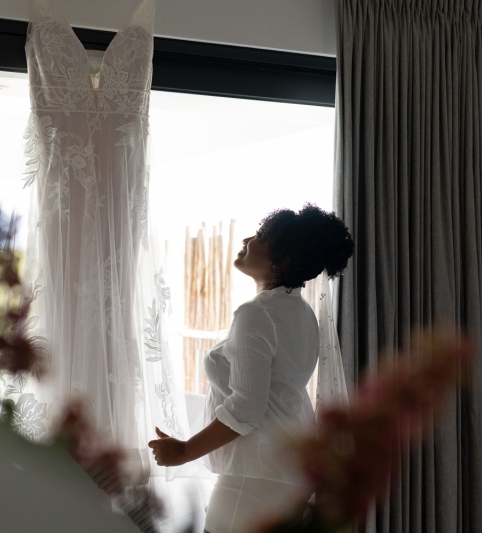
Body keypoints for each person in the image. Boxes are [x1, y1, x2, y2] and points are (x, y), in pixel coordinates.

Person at [148, 203, 354, 533]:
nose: (247, 239)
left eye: (260, 236)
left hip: (254, 479)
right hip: (288, 473)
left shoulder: (257, 314)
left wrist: (184, 451)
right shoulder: (302, 314)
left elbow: (246, 407)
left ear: (282, 259)